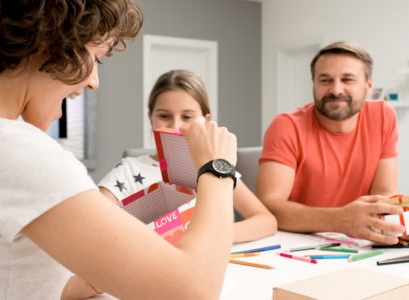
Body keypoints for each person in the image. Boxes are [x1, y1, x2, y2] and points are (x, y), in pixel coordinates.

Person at [0, 1, 238, 299]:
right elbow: (195, 291)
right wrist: (217, 168)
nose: (94, 82)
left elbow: (1, 277)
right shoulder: (9, 147)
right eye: (96, 57)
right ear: (49, 38)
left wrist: (108, 266)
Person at [258, 41, 409, 245]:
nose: (336, 90)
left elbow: (384, 193)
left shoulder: (383, 116)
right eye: (325, 80)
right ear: (314, 85)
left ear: (368, 85)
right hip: (296, 244)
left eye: (348, 79)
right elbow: (269, 207)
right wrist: (340, 220)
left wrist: (396, 222)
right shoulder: (286, 126)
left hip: (358, 244)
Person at [98, 69, 277, 243]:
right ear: (150, 118)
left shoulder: (218, 170)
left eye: (187, 117)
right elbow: (96, 221)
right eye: (164, 116)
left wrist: (212, 236)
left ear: (206, 120)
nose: (176, 126)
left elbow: (266, 221)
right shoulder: (129, 169)